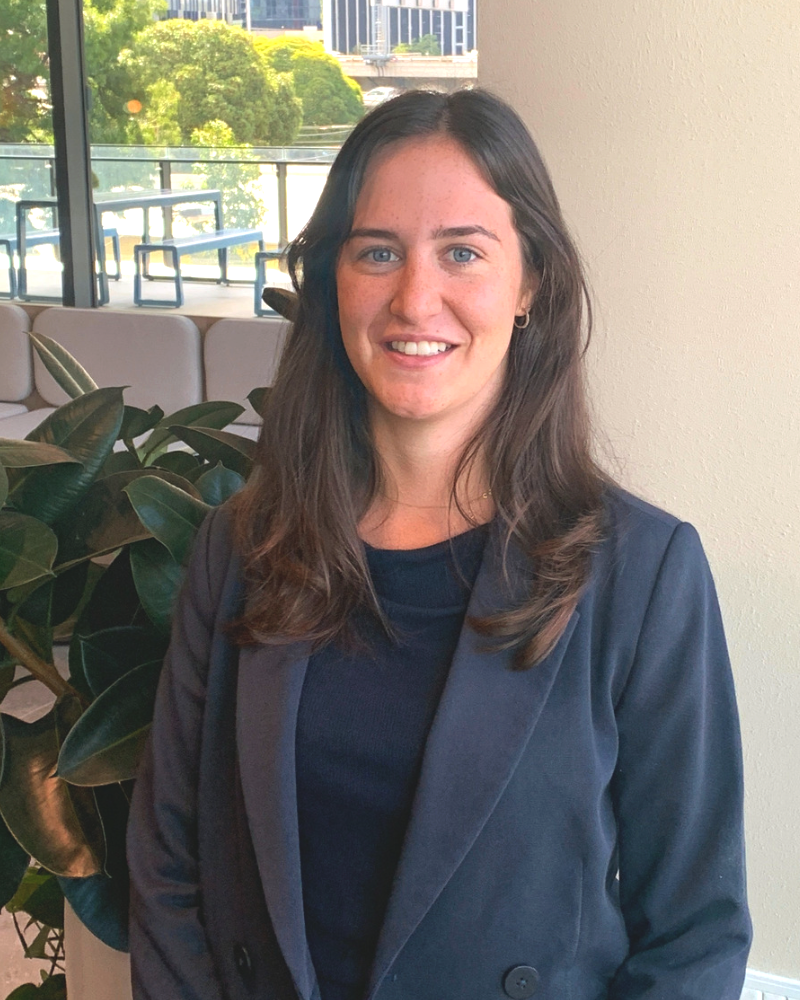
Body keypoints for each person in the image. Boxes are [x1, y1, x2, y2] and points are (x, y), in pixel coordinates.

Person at [127, 89, 751, 1000]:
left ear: (531, 281)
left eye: (463, 252)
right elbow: (169, 865)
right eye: (377, 252)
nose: (415, 298)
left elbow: (694, 932)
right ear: (333, 281)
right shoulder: (241, 548)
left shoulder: (643, 576)